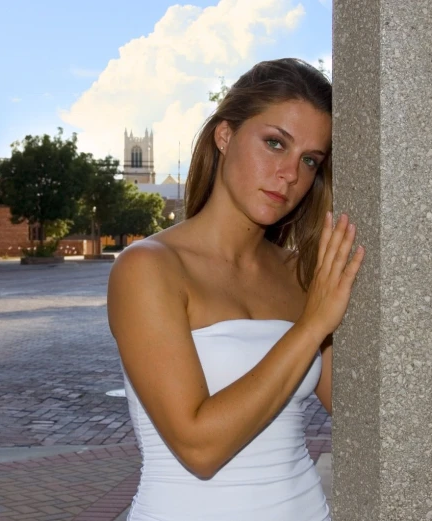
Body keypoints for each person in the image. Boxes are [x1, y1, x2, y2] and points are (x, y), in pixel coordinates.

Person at [107, 58, 365, 521]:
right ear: (224, 137)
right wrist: (310, 327)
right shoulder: (149, 267)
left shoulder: (302, 274)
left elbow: (361, 411)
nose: (290, 174)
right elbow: (199, 446)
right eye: (274, 143)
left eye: (309, 160)